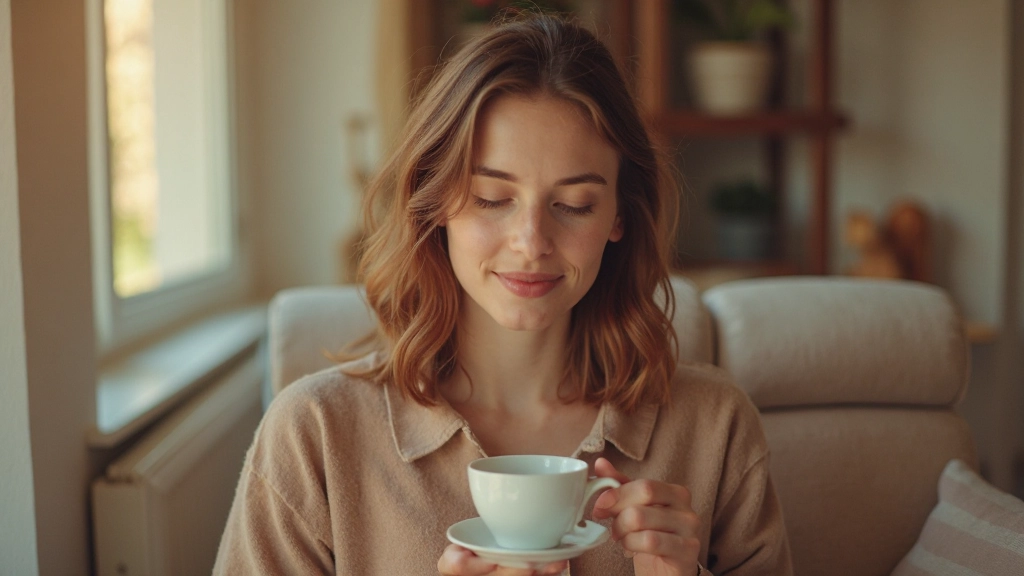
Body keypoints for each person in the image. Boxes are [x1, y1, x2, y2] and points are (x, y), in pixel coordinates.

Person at [214, 12, 792, 576]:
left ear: (619, 214)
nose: (532, 242)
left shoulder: (715, 426)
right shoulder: (313, 434)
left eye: (574, 205)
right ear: (434, 200)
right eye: (492, 198)